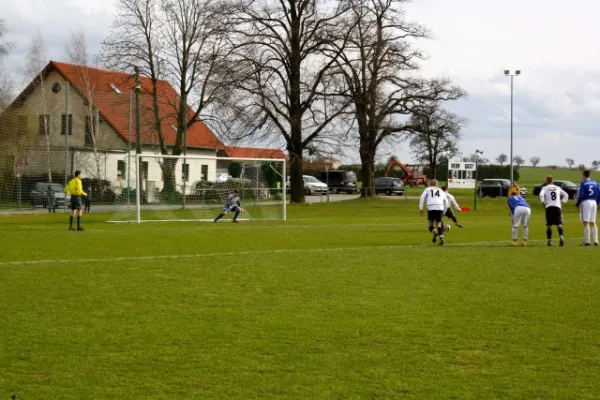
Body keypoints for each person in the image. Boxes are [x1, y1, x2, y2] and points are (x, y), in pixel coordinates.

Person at [539, 175, 568, 247]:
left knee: (549, 225)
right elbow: (566, 195)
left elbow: (541, 194)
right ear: (553, 181)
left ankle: (549, 241)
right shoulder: (558, 188)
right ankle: (561, 236)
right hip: (557, 206)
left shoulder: (545, 188)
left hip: (549, 207)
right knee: (559, 224)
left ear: (546, 180)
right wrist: (562, 202)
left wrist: (542, 202)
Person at [419, 179, 449, 245]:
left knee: (430, 225)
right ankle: (441, 237)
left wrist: (421, 208)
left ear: (430, 183)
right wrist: (444, 211)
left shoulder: (428, 189)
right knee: (438, 225)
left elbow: (422, 197)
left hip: (431, 207)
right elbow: (446, 202)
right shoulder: (441, 190)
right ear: (437, 184)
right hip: (440, 207)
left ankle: (434, 231)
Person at [575, 169, 600, 246]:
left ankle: (587, 241)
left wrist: (577, 203)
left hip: (586, 202)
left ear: (584, 175)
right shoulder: (595, 182)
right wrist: (598, 202)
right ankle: (596, 241)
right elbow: (599, 193)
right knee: (593, 222)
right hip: (594, 202)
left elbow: (581, 195)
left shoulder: (583, 183)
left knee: (585, 222)